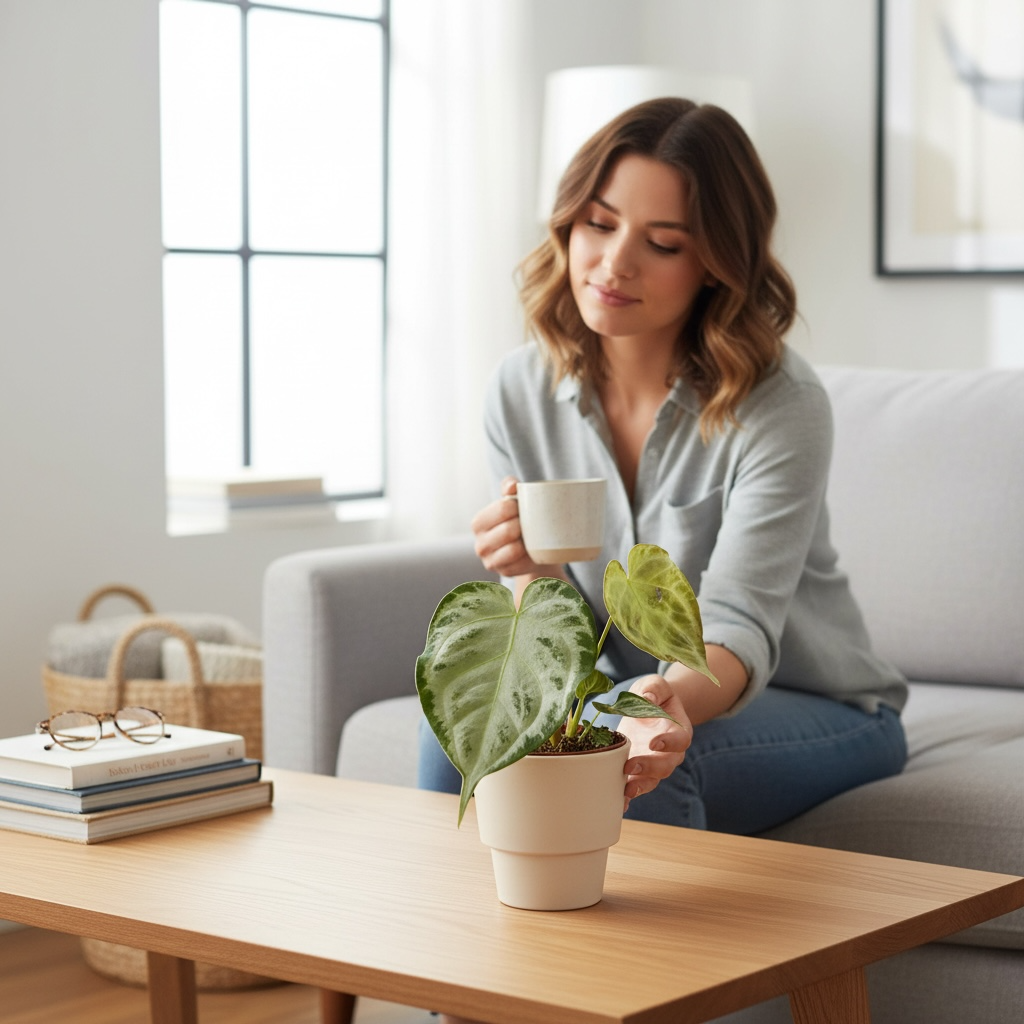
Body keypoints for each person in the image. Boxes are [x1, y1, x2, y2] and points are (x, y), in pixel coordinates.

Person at [419, 96, 906, 854]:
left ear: (715, 261)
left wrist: (660, 699)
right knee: (457, 726)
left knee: (628, 748)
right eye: (599, 223)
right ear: (568, 224)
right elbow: (562, 637)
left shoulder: (781, 404)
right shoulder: (519, 390)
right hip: (626, 691)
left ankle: (648, 943)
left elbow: (738, 624)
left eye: (663, 243)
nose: (615, 263)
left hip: (815, 703)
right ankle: (449, 930)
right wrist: (529, 573)